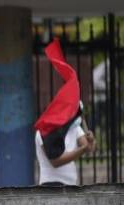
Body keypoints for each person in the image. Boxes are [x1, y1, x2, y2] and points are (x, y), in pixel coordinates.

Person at [34, 39, 96, 186]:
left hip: (71, 185)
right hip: (51, 185)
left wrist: (91, 141)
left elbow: (90, 148)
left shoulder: (74, 127)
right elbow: (55, 161)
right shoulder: (44, 132)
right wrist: (82, 150)